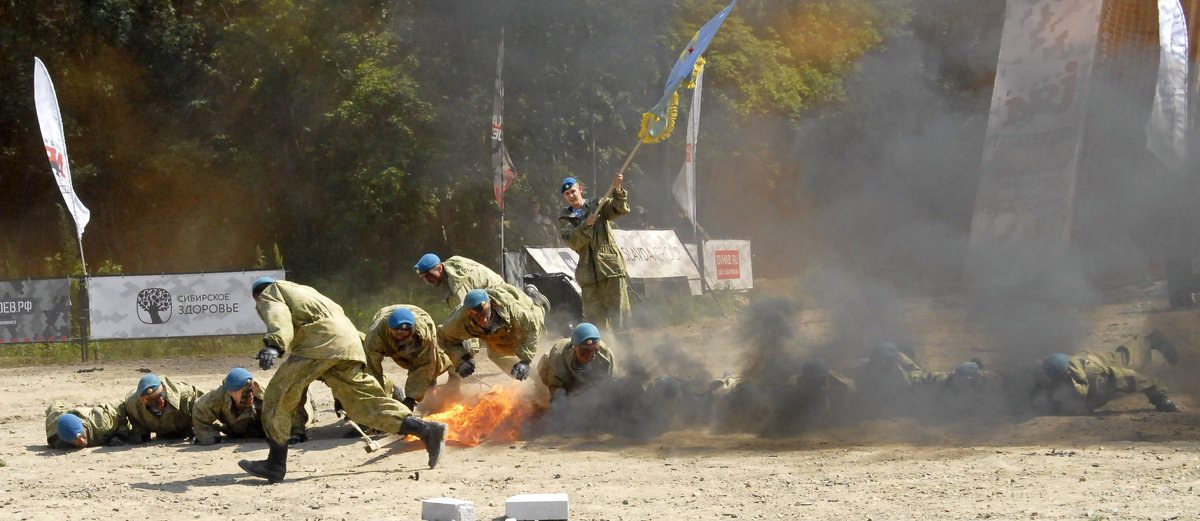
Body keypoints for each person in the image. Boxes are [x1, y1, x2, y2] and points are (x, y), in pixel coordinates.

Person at [238, 277, 447, 483]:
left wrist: (274, 345)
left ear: (258, 296)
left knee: (278, 395)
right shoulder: (305, 291)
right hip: (348, 341)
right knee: (364, 403)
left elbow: (278, 315)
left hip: (320, 341)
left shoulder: (271, 292)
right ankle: (427, 430)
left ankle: (275, 465)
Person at [558, 174, 633, 347]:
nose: (571, 196)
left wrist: (618, 189)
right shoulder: (566, 218)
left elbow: (619, 209)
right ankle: (602, 357)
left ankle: (629, 359)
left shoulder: (597, 204)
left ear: (580, 190)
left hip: (611, 269)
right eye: (567, 194)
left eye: (573, 191)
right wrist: (586, 225)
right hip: (588, 276)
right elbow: (571, 240)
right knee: (595, 325)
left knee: (620, 318)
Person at [1032, 334, 1180, 415]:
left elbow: (1131, 378)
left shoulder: (1096, 374)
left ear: (1066, 375)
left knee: (1127, 359)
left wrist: (1160, 398)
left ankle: (1151, 340)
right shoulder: (1050, 372)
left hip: (1096, 362)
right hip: (1078, 360)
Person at [439, 287, 545, 381]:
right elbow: (444, 338)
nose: (480, 318)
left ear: (490, 302)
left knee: (536, 314)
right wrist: (462, 359)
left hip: (519, 305)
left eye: (482, 311)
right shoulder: (459, 319)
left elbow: (533, 326)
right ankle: (536, 378)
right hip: (497, 331)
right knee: (496, 354)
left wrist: (525, 360)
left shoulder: (511, 308)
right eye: (473, 314)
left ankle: (534, 297)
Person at [192, 368, 314, 446]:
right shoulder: (218, 396)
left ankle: (309, 396)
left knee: (304, 412)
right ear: (231, 393)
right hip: (240, 427)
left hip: (264, 424)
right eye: (244, 393)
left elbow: (291, 409)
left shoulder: (267, 396)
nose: (249, 396)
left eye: (250, 391)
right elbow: (199, 409)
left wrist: (297, 432)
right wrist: (207, 435)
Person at [363, 305, 454, 409]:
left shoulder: (423, 332)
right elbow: (373, 370)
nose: (404, 338)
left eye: (407, 333)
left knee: (430, 365)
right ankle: (394, 391)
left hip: (420, 317)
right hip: (385, 328)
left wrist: (411, 397)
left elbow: (425, 364)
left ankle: (430, 388)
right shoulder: (375, 337)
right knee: (370, 372)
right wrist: (377, 400)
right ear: (390, 330)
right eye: (399, 334)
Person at [536, 322, 616, 399]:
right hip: (561, 373)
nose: (591, 355)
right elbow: (557, 389)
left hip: (585, 378)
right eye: (585, 351)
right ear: (574, 348)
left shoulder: (605, 355)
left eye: (595, 350)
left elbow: (613, 380)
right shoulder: (558, 356)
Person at [124, 373, 204, 443]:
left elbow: (206, 408)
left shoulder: (187, 395)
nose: (161, 401)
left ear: (163, 387)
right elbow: (134, 421)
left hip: (186, 428)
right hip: (161, 432)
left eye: (161, 395)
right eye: (154, 400)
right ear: (143, 399)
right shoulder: (133, 404)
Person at [45, 400, 132, 449]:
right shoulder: (54, 434)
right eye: (76, 440)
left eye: (82, 435)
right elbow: (54, 406)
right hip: (64, 415)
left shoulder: (101, 422)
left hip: (89, 416)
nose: (82, 441)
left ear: (83, 427)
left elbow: (120, 405)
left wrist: (121, 434)